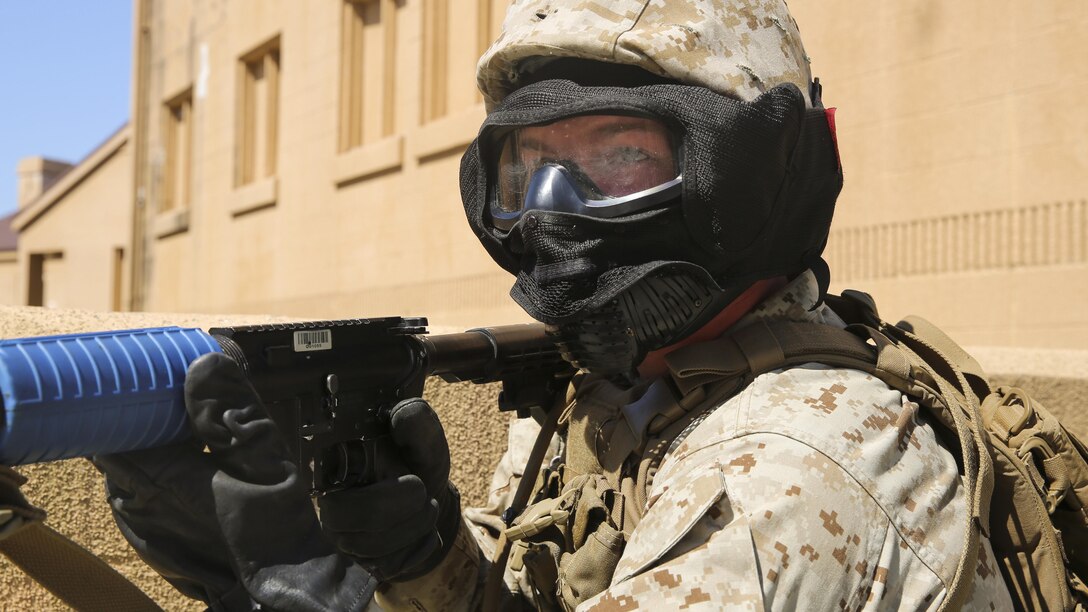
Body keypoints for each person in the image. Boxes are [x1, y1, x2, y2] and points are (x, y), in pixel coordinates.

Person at [96, 0, 1018, 610]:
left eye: (620, 153)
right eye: (531, 164)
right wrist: (421, 564)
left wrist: (321, 591)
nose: (553, 209)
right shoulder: (628, 392)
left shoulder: (783, 476)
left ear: (751, 168)